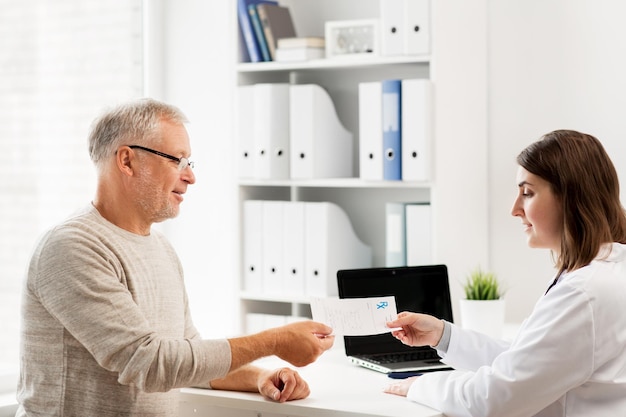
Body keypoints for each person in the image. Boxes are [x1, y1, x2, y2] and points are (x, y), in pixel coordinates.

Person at [17, 98, 334, 416]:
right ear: (127, 161)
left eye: (189, 163)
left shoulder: (161, 249)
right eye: (177, 160)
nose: (190, 177)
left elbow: (187, 357)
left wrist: (261, 377)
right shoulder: (72, 247)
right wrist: (274, 341)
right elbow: (149, 364)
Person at [384, 129, 626, 416]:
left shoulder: (585, 293)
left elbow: (494, 400)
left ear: (571, 197)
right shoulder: (601, 274)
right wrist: (443, 335)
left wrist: (420, 386)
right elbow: (527, 362)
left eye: (527, 193)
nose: (514, 209)